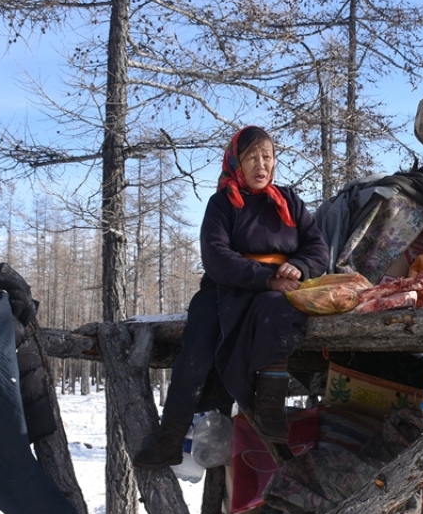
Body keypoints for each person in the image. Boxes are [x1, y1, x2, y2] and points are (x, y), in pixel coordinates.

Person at [134, 126, 329, 469]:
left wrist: (298, 267)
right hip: (228, 288)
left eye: (267, 157)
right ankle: (171, 438)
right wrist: (264, 278)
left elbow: (317, 248)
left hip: (279, 289)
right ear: (235, 162)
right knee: (197, 349)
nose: (261, 165)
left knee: (276, 310)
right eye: (252, 157)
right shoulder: (223, 203)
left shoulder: (289, 202)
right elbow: (216, 256)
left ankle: (269, 410)